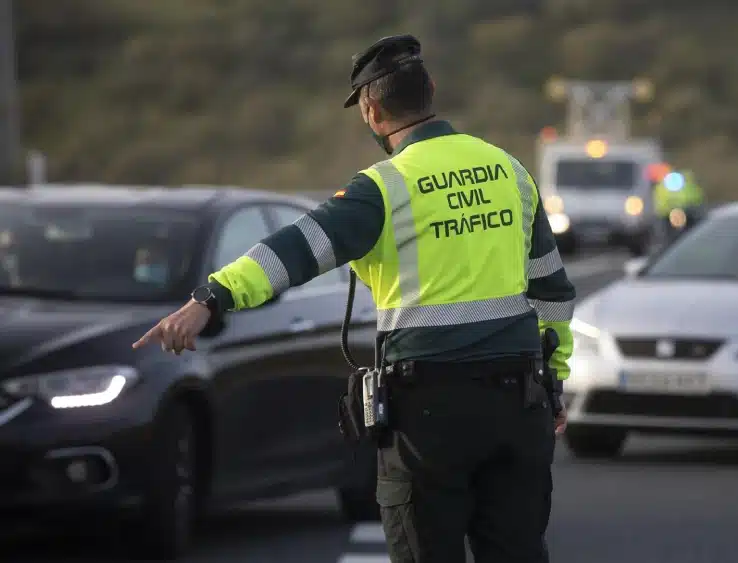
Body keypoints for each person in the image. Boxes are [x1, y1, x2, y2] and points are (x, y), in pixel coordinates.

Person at [132, 34, 576, 563]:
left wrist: (210, 297)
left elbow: (293, 251)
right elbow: (552, 289)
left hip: (430, 415)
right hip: (517, 403)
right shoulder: (510, 171)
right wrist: (553, 380)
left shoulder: (383, 188)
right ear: (430, 90)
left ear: (370, 110)